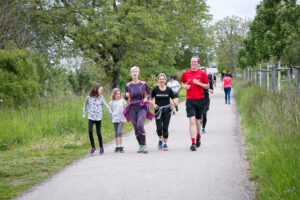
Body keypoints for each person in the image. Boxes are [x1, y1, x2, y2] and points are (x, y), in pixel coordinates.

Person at [180, 56, 209, 151]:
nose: (193, 63)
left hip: (200, 100)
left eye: (195, 62)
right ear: (190, 63)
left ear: (198, 63)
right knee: (191, 121)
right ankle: (192, 142)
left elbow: (207, 86)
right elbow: (182, 83)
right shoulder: (185, 73)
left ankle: (198, 136)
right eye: (192, 61)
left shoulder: (202, 73)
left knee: (197, 122)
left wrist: (199, 83)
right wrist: (185, 86)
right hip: (190, 100)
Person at [123, 66, 153, 154]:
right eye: (133, 72)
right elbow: (125, 97)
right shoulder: (128, 85)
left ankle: (144, 145)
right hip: (132, 108)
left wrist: (147, 99)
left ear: (138, 73)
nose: (134, 73)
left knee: (140, 125)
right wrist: (126, 95)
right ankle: (140, 145)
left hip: (141, 107)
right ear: (131, 74)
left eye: (136, 71)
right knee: (136, 128)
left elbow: (150, 94)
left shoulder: (143, 84)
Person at [83, 83, 112, 155]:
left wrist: (111, 114)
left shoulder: (101, 98)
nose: (101, 91)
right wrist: (84, 115)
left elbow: (106, 106)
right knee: (90, 131)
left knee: (98, 133)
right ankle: (93, 147)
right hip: (91, 117)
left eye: (101, 90)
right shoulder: (88, 97)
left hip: (98, 118)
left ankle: (101, 147)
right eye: (100, 90)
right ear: (95, 89)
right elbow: (85, 106)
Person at [150, 73, 175, 151]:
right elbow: (150, 99)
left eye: (163, 79)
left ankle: (165, 144)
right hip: (158, 111)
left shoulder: (169, 89)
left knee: (165, 128)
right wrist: (153, 105)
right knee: (159, 129)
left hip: (167, 111)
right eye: (160, 79)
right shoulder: (155, 89)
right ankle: (160, 139)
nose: (161, 80)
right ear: (158, 80)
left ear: (165, 80)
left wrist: (174, 104)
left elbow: (173, 99)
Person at [110, 88, 126, 153]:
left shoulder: (122, 101)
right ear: (114, 95)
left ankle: (120, 146)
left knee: (119, 132)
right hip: (114, 119)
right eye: (116, 94)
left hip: (121, 119)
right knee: (116, 133)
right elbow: (109, 110)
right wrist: (111, 115)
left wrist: (125, 118)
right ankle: (117, 146)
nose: (118, 95)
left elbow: (125, 110)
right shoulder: (112, 101)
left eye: (119, 94)